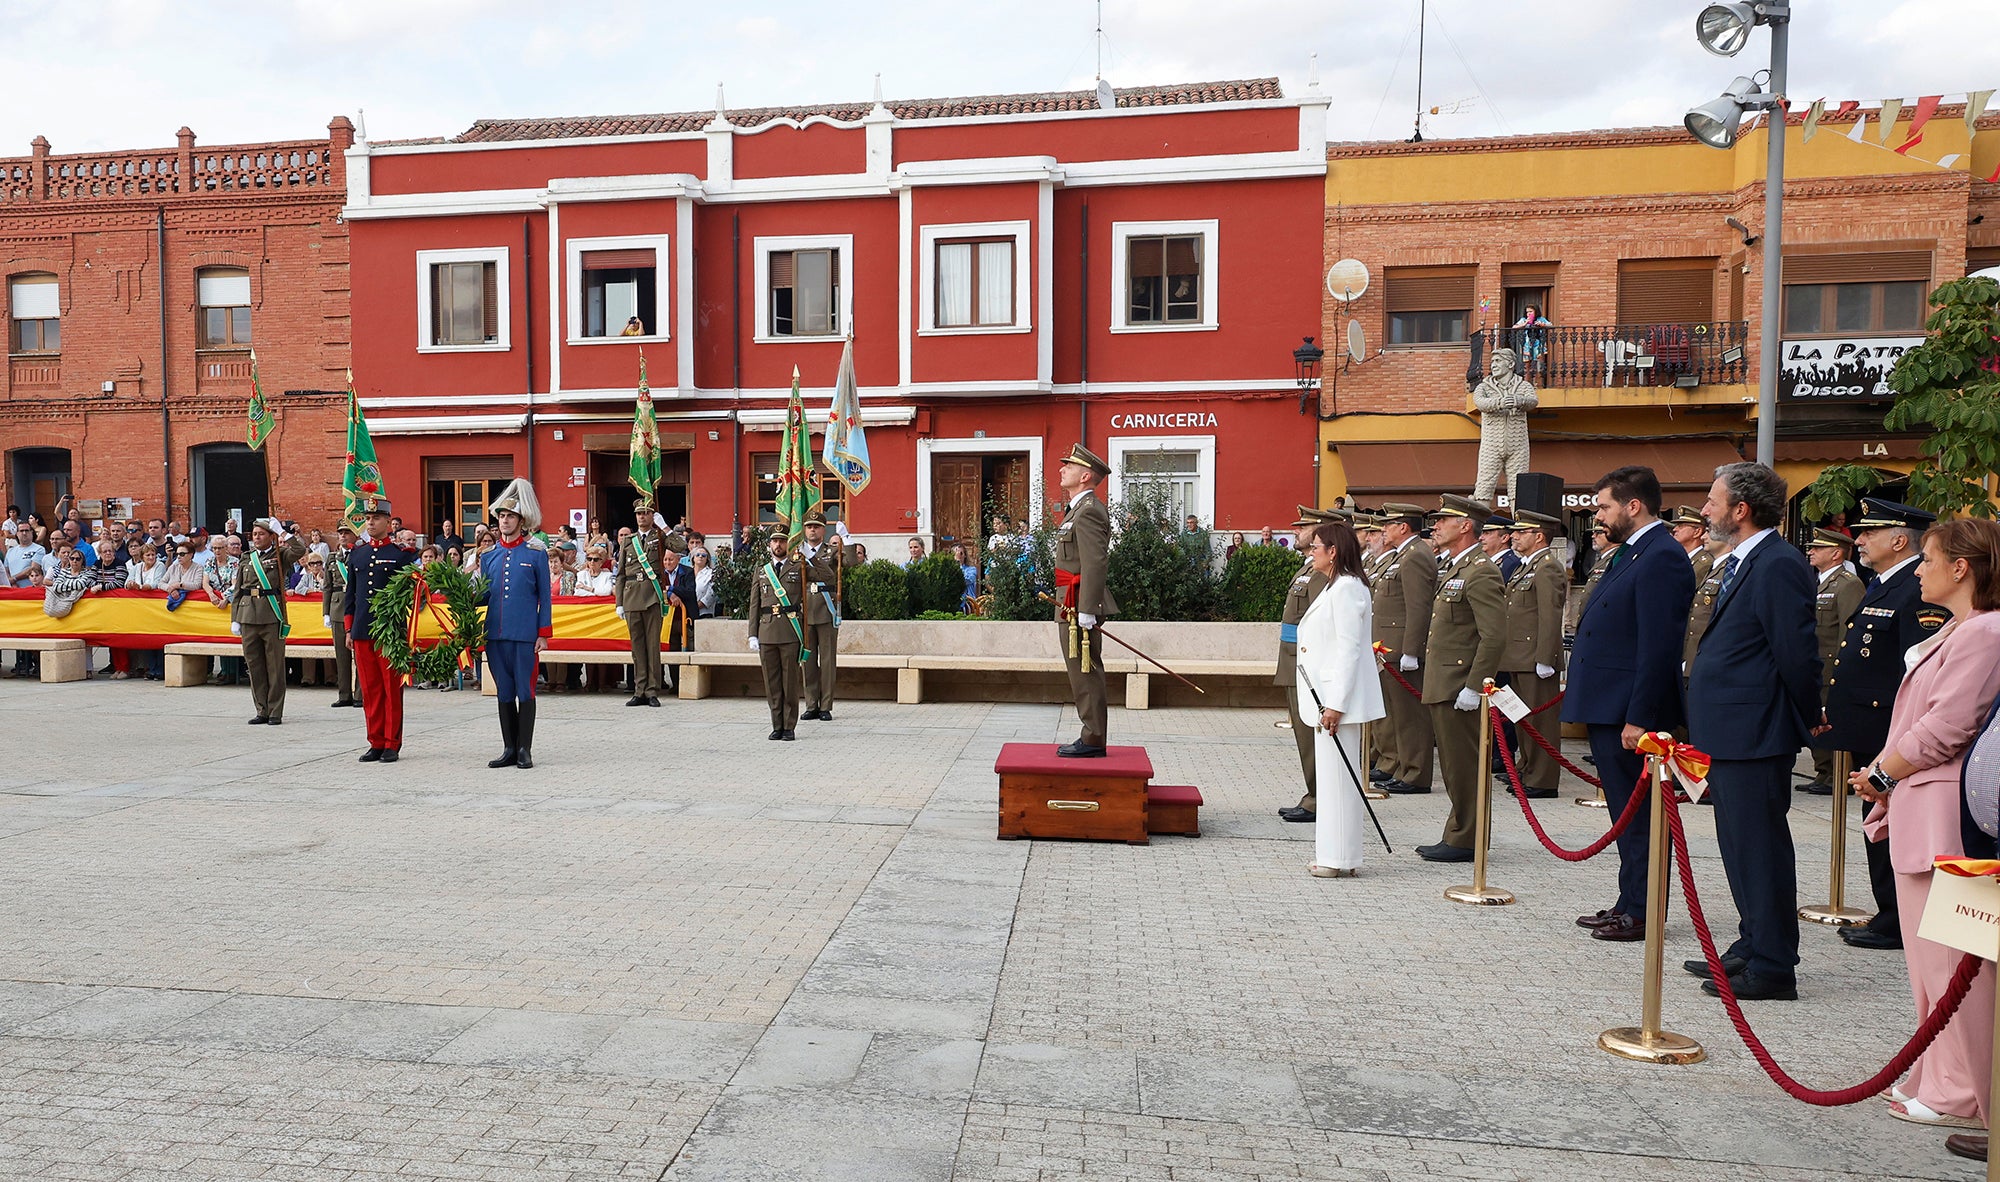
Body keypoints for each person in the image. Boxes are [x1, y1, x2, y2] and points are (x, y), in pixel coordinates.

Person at [1854, 517, 2000, 1129]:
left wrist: (1881, 774)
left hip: (1949, 814)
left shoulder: (1985, 632)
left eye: (1930, 558)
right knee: (1931, 963)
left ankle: (1961, 1090)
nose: (1919, 569)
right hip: (1925, 804)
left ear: (1962, 567)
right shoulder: (1965, 629)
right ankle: (1941, 1077)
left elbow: (1947, 726)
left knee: (1953, 964)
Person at [1684, 462, 1820, 1001]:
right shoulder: (1743, 560)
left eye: (1713, 500)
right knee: (1739, 848)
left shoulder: (1777, 563)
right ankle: (1752, 942)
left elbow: (1795, 651)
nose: (1705, 509)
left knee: (1759, 849)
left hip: (1756, 731)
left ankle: (1773, 965)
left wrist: (1809, 717)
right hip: (1731, 730)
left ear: (1741, 510)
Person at [1563, 466, 1695, 942]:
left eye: (1603, 507)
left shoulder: (1661, 556)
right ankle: (1628, 899)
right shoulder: (1637, 552)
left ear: (1633, 506)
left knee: (1638, 816)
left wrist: (1639, 717)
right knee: (1624, 812)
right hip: (1609, 704)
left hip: (1628, 710)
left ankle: (1642, 911)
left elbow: (1658, 646)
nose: (1598, 515)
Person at [1828, 498, 1950, 953]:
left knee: (1892, 824)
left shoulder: (1916, 589)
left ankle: (1899, 916)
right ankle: (1889, 911)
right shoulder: (1885, 583)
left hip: (1890, 729)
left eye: (1868, 533)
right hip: (1869, 725)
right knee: (1877, 821)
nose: (1857, 540)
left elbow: (1916, 671)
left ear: (1900, 540)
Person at [1415, 494, 1506, 862]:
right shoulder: (1456, 567)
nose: (1435, 526)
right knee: (1454, 767)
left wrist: (1475, 685)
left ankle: (1467, 838)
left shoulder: (1480, 570)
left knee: (1464, 765)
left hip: (1459, 685)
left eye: (1443, 520)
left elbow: (1494, 635)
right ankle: (1459, 830)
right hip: (1444, 682)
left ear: (1465, 526)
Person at [1296, 519, 1386, 877]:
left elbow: (1349, 649)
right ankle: (1339, 856)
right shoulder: (1338, 585)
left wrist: (1335, 703)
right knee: (1336, 781)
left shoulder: (1348, 588)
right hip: (1328, 695)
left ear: (1333, 552)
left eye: (1316, 547)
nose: (1311, 553)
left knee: (1337, 783)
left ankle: (1336, 859)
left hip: (1335, 698)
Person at [478, 481, 552, 769]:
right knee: (504, 692)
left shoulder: (535, 555)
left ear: (521, 521)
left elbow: (545, 597)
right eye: (501, 516)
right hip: (495, 635)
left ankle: (525, 749)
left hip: (524, 636)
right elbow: (483, 595)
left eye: (510, 516)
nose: (504, 521)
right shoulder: (489, 556)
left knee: (526, 691)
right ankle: (509, 748)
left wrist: (543, 634)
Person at [1052, 443, 1118, 758]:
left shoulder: (1089, 509)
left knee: (1086, 669)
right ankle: (1091, 732)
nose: (1062, 469)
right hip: (1069, 601)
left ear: (1085, 475)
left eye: (1069, 465)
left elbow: (1095, 562)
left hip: (1079, 604)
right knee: (1079, 670)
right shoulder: (1078, 508)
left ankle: (1093, 737)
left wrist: (1089, 609)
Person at [345, 496, 417, 763]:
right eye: (367, 518)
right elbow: (350, 594)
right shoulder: (358, 554)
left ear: (388, 521)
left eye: (376, 518)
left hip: (389, 632)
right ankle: (374, 741)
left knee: (390, 689)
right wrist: (349, 629)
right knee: (370, 689)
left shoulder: (400, 555)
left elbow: (411, 593)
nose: (371, 522)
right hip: (363, 631)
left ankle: (391, 743)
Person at [1500, 511, 1567, 799]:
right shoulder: (1527, 566)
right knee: (1523, 719)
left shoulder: (1547, 566)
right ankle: (1527, 769)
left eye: (1521, 531)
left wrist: (1545, 657)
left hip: (1534, 657)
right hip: (1518, 655)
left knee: (1540, 722)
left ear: (1538, 536)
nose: (1514, 536)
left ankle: (1542, 779)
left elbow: (1550, 616)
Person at [1372, 503, 1437, 796]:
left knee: (1410, 716)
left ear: (1404, 527)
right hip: (1389, 648)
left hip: (1401, 650)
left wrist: (1412, 650)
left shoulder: (1416, 556)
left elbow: (1419, 607)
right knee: (1396, 714)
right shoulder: (1404, 555)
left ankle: (1416, 773)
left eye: (1390, 524)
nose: (1383, 529)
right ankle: (1402, 767)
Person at [1276, 507, 1334, 823]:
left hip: (1305, 662)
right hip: (1294, 658)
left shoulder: (1321, 573)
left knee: (1311, 736)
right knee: (1304, 736)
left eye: (1304, 526)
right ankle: (1313, 794)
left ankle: (1318, 799)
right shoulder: (1308, 567)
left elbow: (1318, 622)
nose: (1297, 531)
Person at [1804, 528, 1866, 796]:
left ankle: (1836, 774)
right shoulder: (1818, 581)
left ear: (1836, 553)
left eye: (1817, 548)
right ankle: (1823, 771)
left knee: (1831, 719)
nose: (1810, 551)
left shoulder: (1848, 583)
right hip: (1815, 662)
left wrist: (1843, 666)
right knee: (1815, 718)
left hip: (1830, 664)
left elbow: (1848, 628)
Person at [233, 518, 308, 726]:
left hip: (271, 616)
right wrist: (235, 618)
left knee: (274, 666)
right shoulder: (247, 558)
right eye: (254, 534)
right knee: (254, 666)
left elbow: (300, 550)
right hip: (248, 616)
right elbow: (238, 590)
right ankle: (261, 710)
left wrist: (283, 533)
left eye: (262, 534)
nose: (256, 537)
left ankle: (275, 711)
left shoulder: (280, 555)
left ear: (271, 536)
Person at [751, 525, 808, 740]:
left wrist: (809, 557)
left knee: (789, 683)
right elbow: (754, 604)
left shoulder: (798, 567)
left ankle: (789, 726)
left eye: (782, 541)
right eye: (774, 541)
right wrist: (752, 633)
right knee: (772, 683)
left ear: (788, 543)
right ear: (769, 545)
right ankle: (776, 725)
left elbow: (826, 575)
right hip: (766, 632)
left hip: (790, 632)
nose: (778, 545)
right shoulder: (761, 570)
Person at [614, 504, 670, 707]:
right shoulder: (629, 541)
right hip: (631, 598)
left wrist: (664, 527)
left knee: (652, 646)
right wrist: (619, 602)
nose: (641, 517)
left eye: (646, 513)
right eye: (638, 513)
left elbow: (680, 546)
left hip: (652, 597)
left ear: (652, 515)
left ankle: (652, 690)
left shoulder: (659, 537)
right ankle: (639, 690)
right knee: (637, 648)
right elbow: (620, 574)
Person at [1470, 347, 1538, 507]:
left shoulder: (1523, 385)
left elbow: (1533, 401)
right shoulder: (1484, 387)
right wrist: (1499, 403)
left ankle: (1520, 527)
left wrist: (1518, 401)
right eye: (1492, 361)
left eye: (1498, 361)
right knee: (1484, 487)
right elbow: (1479, 402)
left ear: (1510, 364)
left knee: (1519, 490)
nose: (1493, 365)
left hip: (1518, 445)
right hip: (1491, 446)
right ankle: (1479, 528)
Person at [799, 510, 847, 720]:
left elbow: (852, 561)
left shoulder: (832, 552)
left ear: (823, 530)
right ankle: (811, 704)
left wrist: (846, 538)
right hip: (805, 611)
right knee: (807, 661)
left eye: (816, 527)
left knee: (827, 661)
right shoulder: (797, 552)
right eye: (809, 526)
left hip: (826, 610)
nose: (812, 530)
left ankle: (825, 705)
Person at [323, 525, 358, 708]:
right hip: (337, 607)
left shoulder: (360, 554)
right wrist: (326, 612)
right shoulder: (332, 558)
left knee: (359, 654)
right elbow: (327, 587)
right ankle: (344, 694)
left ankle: (359, 694)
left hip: (356, 606)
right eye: (341, 533)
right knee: (341, 655)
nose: (343, 536)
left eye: (347, 532)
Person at [659, 536, 696, 696]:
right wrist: (669, 593)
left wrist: (671, 589)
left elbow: (690, 592)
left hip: (685, 618)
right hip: (667, 620)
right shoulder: (658, 574)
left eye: (670, 559)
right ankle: (673, 684)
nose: (667, 562)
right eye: (665, 560)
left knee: (688, 651)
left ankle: (688, 684)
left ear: (677, 559)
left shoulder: (687, 572)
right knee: (671, 651)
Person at [1480, 514, 1520, 582]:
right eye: (1482, 533)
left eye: (1487, 533)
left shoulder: (1511, 564)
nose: (1480, 538)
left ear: (1504, 538)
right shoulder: (1486, 562)